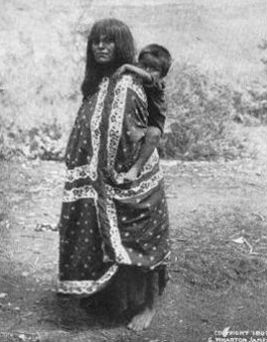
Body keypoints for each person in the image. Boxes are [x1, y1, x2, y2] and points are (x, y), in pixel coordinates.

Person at [57, 18, 170, 332]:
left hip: (136, 179)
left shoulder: (136, 79)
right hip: (100, 180)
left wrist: (130, 170)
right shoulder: (96, 85)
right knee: (100, 234)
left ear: (121, 46)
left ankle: (148, 305)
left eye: (108, 41)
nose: (101, 47)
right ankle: (110, 296)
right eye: (96, 41)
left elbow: (153, 125)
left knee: (140, 237)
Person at [114, 44, 172, 182]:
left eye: (154, 69)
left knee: (154, 134)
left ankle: (136, 168)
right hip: (137, 118)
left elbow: (149, 78)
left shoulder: (158, 83)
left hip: (153, 121)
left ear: (162, 75)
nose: (147, 70)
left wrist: (128, 67)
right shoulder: (134, 78)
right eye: (144, 65)